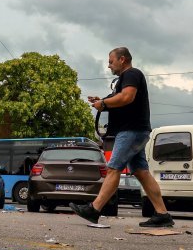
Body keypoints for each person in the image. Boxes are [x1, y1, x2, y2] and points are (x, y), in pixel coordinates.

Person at [70, 47, 173, 227]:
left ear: (122, 59)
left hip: (131, 131)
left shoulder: (132, 74)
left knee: (113, 168)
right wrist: (102, 101)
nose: (109, 65)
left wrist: (103, 103)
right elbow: (119, 98)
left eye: (111, 61)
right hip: (136, 131)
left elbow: (126, 98)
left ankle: (94, 210)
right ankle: (162, 214)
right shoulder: (124, 79)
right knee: (142, 173)